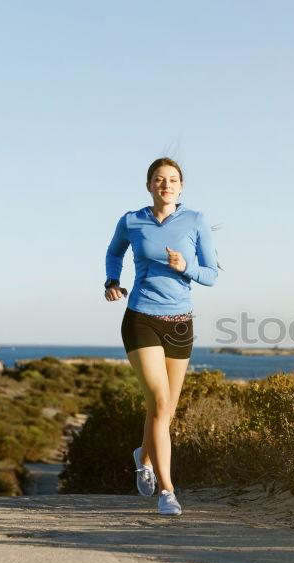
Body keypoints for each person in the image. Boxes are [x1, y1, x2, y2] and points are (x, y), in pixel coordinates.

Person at [104, 157, 219, 516]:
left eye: (172, 180)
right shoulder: (132, 221)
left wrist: (187, 268)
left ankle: (145, 455)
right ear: (149, 185)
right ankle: (168, 492)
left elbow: (212, 275)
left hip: (181, 323)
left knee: (165, 409)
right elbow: (113, 253)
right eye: (159, 179)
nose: (165, 185)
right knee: (158, 399)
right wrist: (111, 281)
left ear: (181, 187)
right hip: (142, 318)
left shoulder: (196, 221)